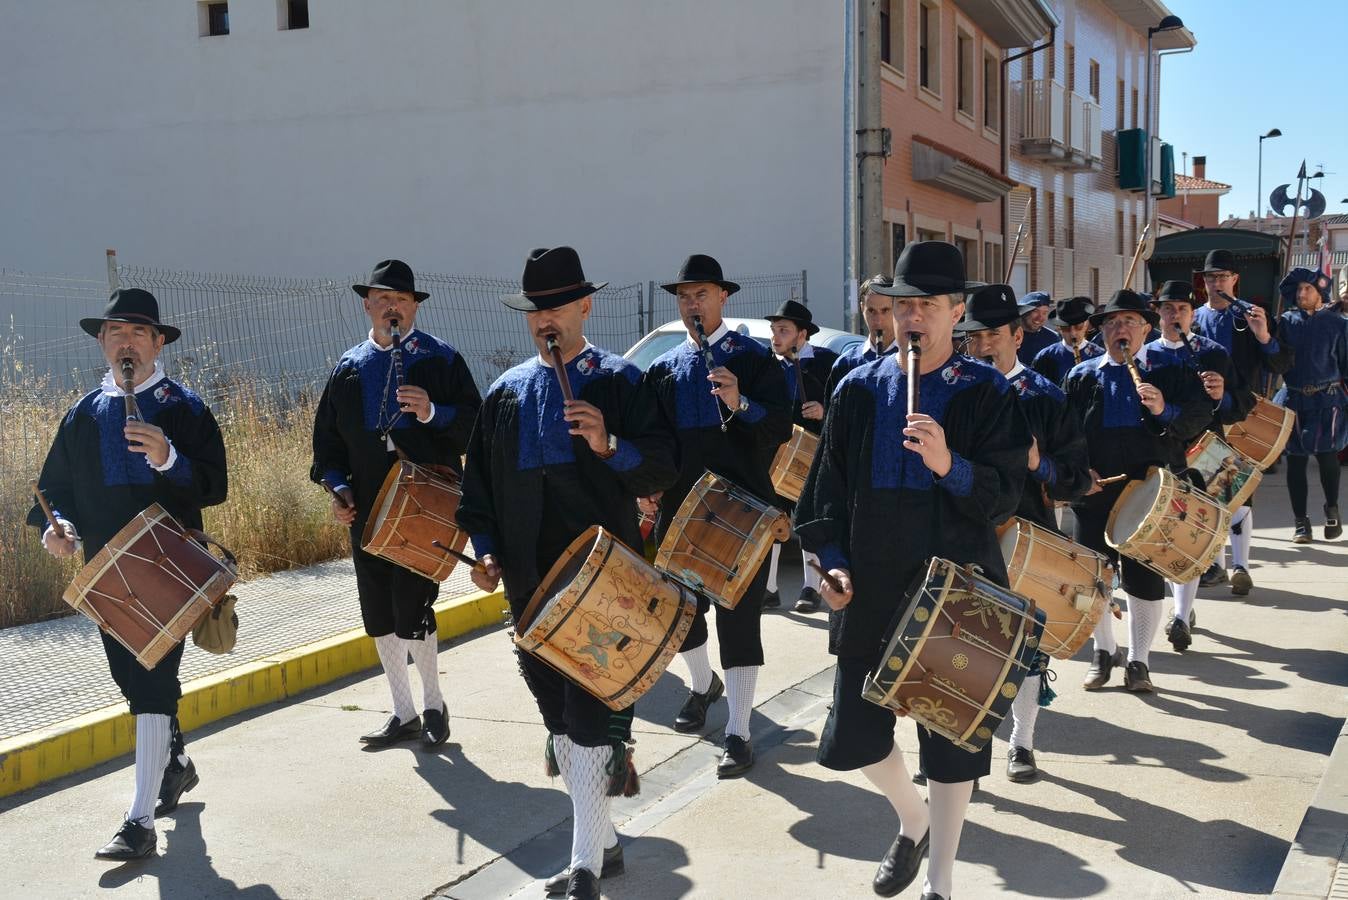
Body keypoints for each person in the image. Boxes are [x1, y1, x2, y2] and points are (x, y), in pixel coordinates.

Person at [795, 241, 1030, 900]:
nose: (912, 317)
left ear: (957, 312)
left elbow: (1007, 494)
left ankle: (942, 880)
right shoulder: (857, 389)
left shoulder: (985, 392)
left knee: (952, 739)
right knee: (853, 738)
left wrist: (947, 465)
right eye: (904, 306)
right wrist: (832, 566)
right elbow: (825, 496)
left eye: (927, 305)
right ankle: (912, 818)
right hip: (869, 585)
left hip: (959, 587)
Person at [456, 247, 676, 900]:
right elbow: (478, 496)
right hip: (530, 589)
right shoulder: (504, 396)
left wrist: (611, 445)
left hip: (608, 585)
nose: (545, 319)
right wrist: (488, 552)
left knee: (587, 720)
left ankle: (582, 867)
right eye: (535, 310)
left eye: (557, 306)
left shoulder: (622, 382)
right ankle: (604, 844)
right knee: (558, 723)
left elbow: (661, 468)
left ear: (584, 306)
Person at [30, 289, 227, 860]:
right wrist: (56, 527)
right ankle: (177, 765)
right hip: (105, 577)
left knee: (151, 682)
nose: (125, 342)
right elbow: (52, 491)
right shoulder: (84, 414)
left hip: (170, 569)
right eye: (115, 332)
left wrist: (169, 458)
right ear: (101, 342)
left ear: (158, 342)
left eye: (138, 333)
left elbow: (213, 485)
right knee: (132, 680)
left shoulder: (184, 408)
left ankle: (139, 822)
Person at [311, 259, 481, 748]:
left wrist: (432, 411)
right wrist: (338, 490)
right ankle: (402, 712)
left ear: (414, 308)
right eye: (383, 300)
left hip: (425, 507)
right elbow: (327, 446)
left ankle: (433, 705)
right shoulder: (349, 368)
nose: (392, 308)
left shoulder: (442, 360)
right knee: (378, 614)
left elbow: (474, 425)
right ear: (367, 304)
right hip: (367, 510)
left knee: (414, 606)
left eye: (402, 301)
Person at [641, 253, 792, 778]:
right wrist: (645, 488)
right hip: (681, 511)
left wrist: (740, 401)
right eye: (684, 297)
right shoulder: (662, 370)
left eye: (700, 294)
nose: (691, 305)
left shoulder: (753, 358)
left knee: (740, 618)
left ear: (723, 297)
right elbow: (654, 444)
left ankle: (739, 731)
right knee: (678, 611)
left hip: (743, 511)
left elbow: (781, 428)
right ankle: (703, 684)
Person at [955, 284, 1091, 783]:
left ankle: (1022, 744)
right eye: (973, 335)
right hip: (965, 532)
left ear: (1017, 335)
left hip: (1028, 538)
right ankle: (960, 745)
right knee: (963, 641)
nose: (982, 344)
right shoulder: (952, 390)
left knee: (1026, 647)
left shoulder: (1046, 397)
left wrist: (1040, 463)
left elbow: (1078, 477)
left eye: (993, 333)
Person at [1065, 289, 1208, 694]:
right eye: (1111, 323)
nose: (1119, 329)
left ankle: (1138, 661)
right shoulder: (1082, 375)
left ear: (1146, 328)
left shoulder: (1168, 368)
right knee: (1094, 579)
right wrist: (1077, 471)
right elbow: (1066, 432)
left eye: (1128, 322)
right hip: (1095, 491)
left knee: (1144, 578)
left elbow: (1199, 416)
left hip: (1150, 494)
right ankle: (1103, 650)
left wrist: (1165, 410)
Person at [1147, 280, 1250, 651]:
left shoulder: (1214, 353)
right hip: (1165, 454)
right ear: (1157, 312)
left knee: (1201, 531)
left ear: (1193, 314)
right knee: (1175, 534)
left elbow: (1243, 404)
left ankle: (1180, 613)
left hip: (1208, 451)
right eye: (1169, 308)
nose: (1176, 315)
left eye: (1183, 309)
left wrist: (1223, 395)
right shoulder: (1144, 358)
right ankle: (1180, 612)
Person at [1191, 249, 1295, 588]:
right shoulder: (1191, 319)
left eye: (1222, 276)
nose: (1216, 282)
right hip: (1199, 418)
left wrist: (1263, 335)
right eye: (1210, 276)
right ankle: (1213, 564)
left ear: (1235, 279)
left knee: (1238, 488)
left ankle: (1241, 567)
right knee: (1206, 490)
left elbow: (1280, 365)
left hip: (1242, 415)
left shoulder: (1252, 317)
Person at [763, 299, 839, 612]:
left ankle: (811, 587)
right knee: (773, 520)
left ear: (802, 335)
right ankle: (769, 588)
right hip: (775, 455)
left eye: (783, 330)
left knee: (808, 521)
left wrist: (824, 411)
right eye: (773, 330)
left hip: (814, 454)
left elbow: (845, 406)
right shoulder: (768, 366)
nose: (775, 336)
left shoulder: (826, 363)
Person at [1272, 267, 1348, 543]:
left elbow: (1345, 365)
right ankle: (1301, 523)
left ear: (1320, 293)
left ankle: (1332, 509)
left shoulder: (1338, 324)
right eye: (1299, 289)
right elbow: (1274, 358)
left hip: (1327, 399)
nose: (1302, 293)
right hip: (1292, 398)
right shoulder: (1285, 322)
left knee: (1327, 456)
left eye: (1308, 289)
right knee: (1295, 461)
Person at [826, 274, 899, 397]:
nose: (878, 321)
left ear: (898, 308)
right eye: (871, 311)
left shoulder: (914, 360)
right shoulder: (846, 363)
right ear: (862, 308)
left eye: (885, 310)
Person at [1031, 296, 1103, 386]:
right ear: (1059, 328)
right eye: (1066, 328)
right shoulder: (1045, 357)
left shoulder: (1100, 355)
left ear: (1086, 324)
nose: (1073, 333)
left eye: (1078, 326)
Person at [1015, 291, 1058, 365]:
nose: (1040, 317)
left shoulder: (1053, 339)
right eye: (1035, 311)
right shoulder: (1010, 336)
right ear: (1024, 312)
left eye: (1044, 313)